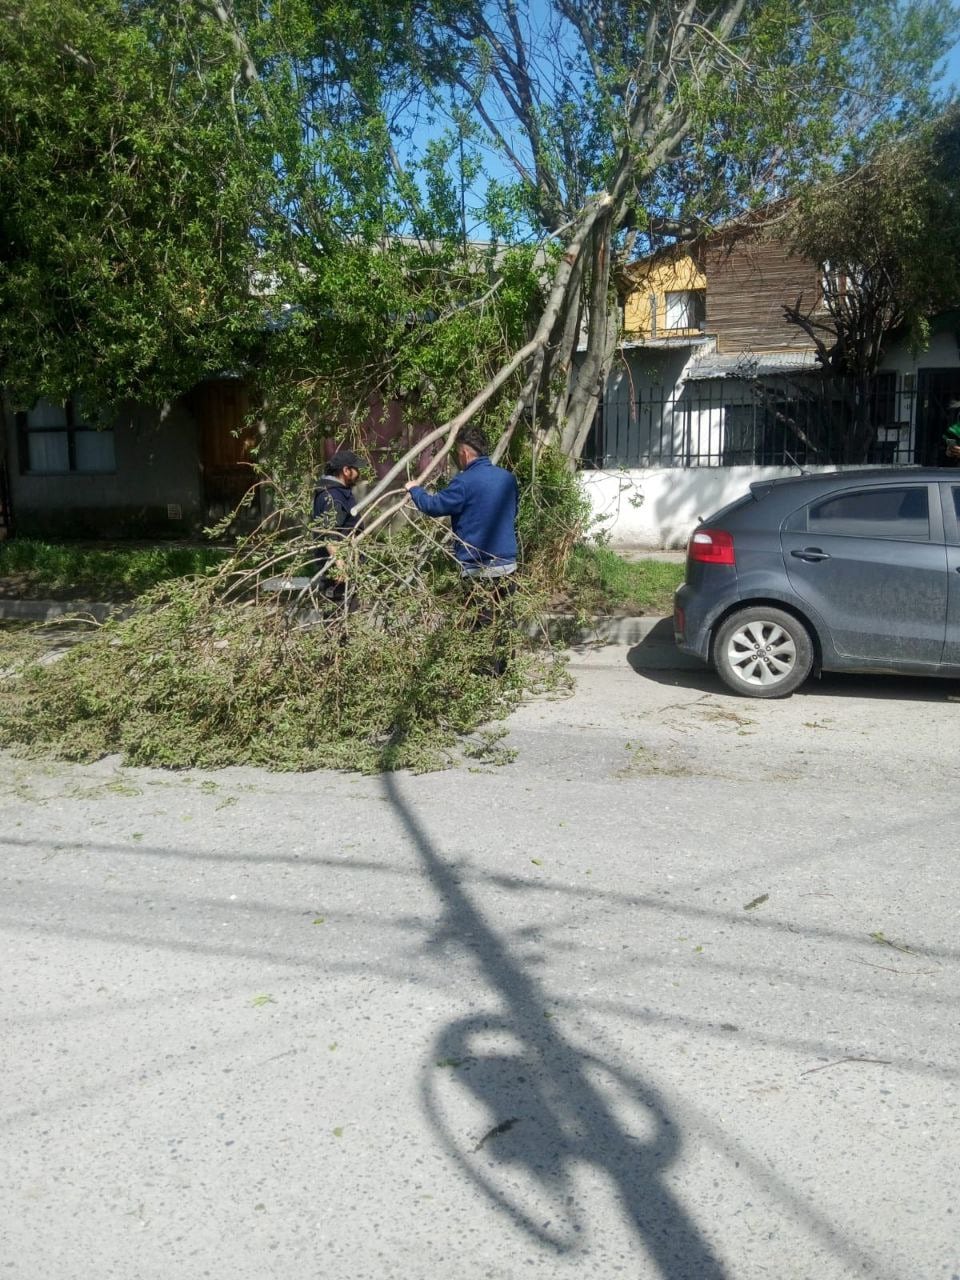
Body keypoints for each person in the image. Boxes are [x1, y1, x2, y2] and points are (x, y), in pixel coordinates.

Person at [404, 427, 519, 670]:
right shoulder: (508, 479)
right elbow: (513, 512)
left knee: (480, 622)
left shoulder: (464, 482)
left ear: (465, 454)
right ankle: (504, 669)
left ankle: (484, 673)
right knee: (504, 619)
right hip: (507, 563)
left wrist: (414, 489)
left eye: (457, 454)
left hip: (477, 566)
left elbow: (434, 506)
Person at [312, 449, 365, 600]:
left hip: (345, 564)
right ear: (346, 471)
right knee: (340, 609)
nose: (359, 473)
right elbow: (329, 534)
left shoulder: (336, 491)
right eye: (356, 469)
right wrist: (340, 567)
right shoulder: (334, 497)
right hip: (338, 573)